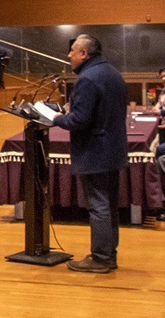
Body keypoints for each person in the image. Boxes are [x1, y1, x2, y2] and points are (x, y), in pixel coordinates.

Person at [52, 34, 129, 274]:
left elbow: (80, 120)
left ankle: (101, 257)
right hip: (113, 149)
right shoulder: (112, 73)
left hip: (95, 151)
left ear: (84, 53)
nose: (69, 56)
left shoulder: (87, 79)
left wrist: (57, 118)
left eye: (72, 51)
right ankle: (109, 254)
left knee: (98, 206)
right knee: (108, 205)